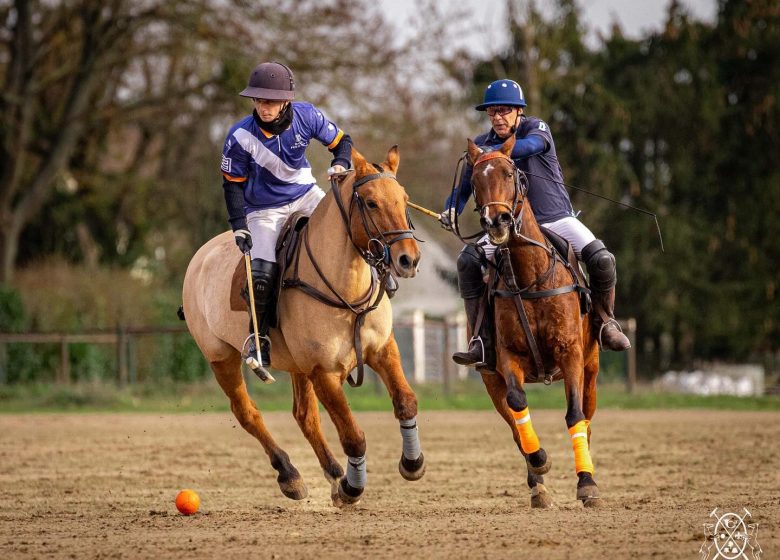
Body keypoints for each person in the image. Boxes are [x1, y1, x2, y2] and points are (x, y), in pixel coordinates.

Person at [441, 78, 630, 370]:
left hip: (555, 220)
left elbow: (530, 146)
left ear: (518, 112)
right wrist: (451, 208)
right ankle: (480, 340)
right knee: (466, 262)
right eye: (492, 112)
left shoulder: (536, 129)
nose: (498, 117)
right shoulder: (481, 146)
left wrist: (491, 153)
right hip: (506, 228)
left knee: (602, 258)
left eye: (504, 110)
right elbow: (464, 187)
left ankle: (605, 323)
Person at [221, 61, 352, 378]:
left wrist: (341, 163)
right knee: (263, 270)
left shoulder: (307, 115)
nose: (263, 107)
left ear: (286, 102)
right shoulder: (239, 136)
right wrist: (239, 225)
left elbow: (342, 142)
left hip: (306, 195)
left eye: (270, 101)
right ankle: (259, 338)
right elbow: (232, 185)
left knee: (347, 231)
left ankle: (370, 299)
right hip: (263, 210)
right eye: (258, 100)